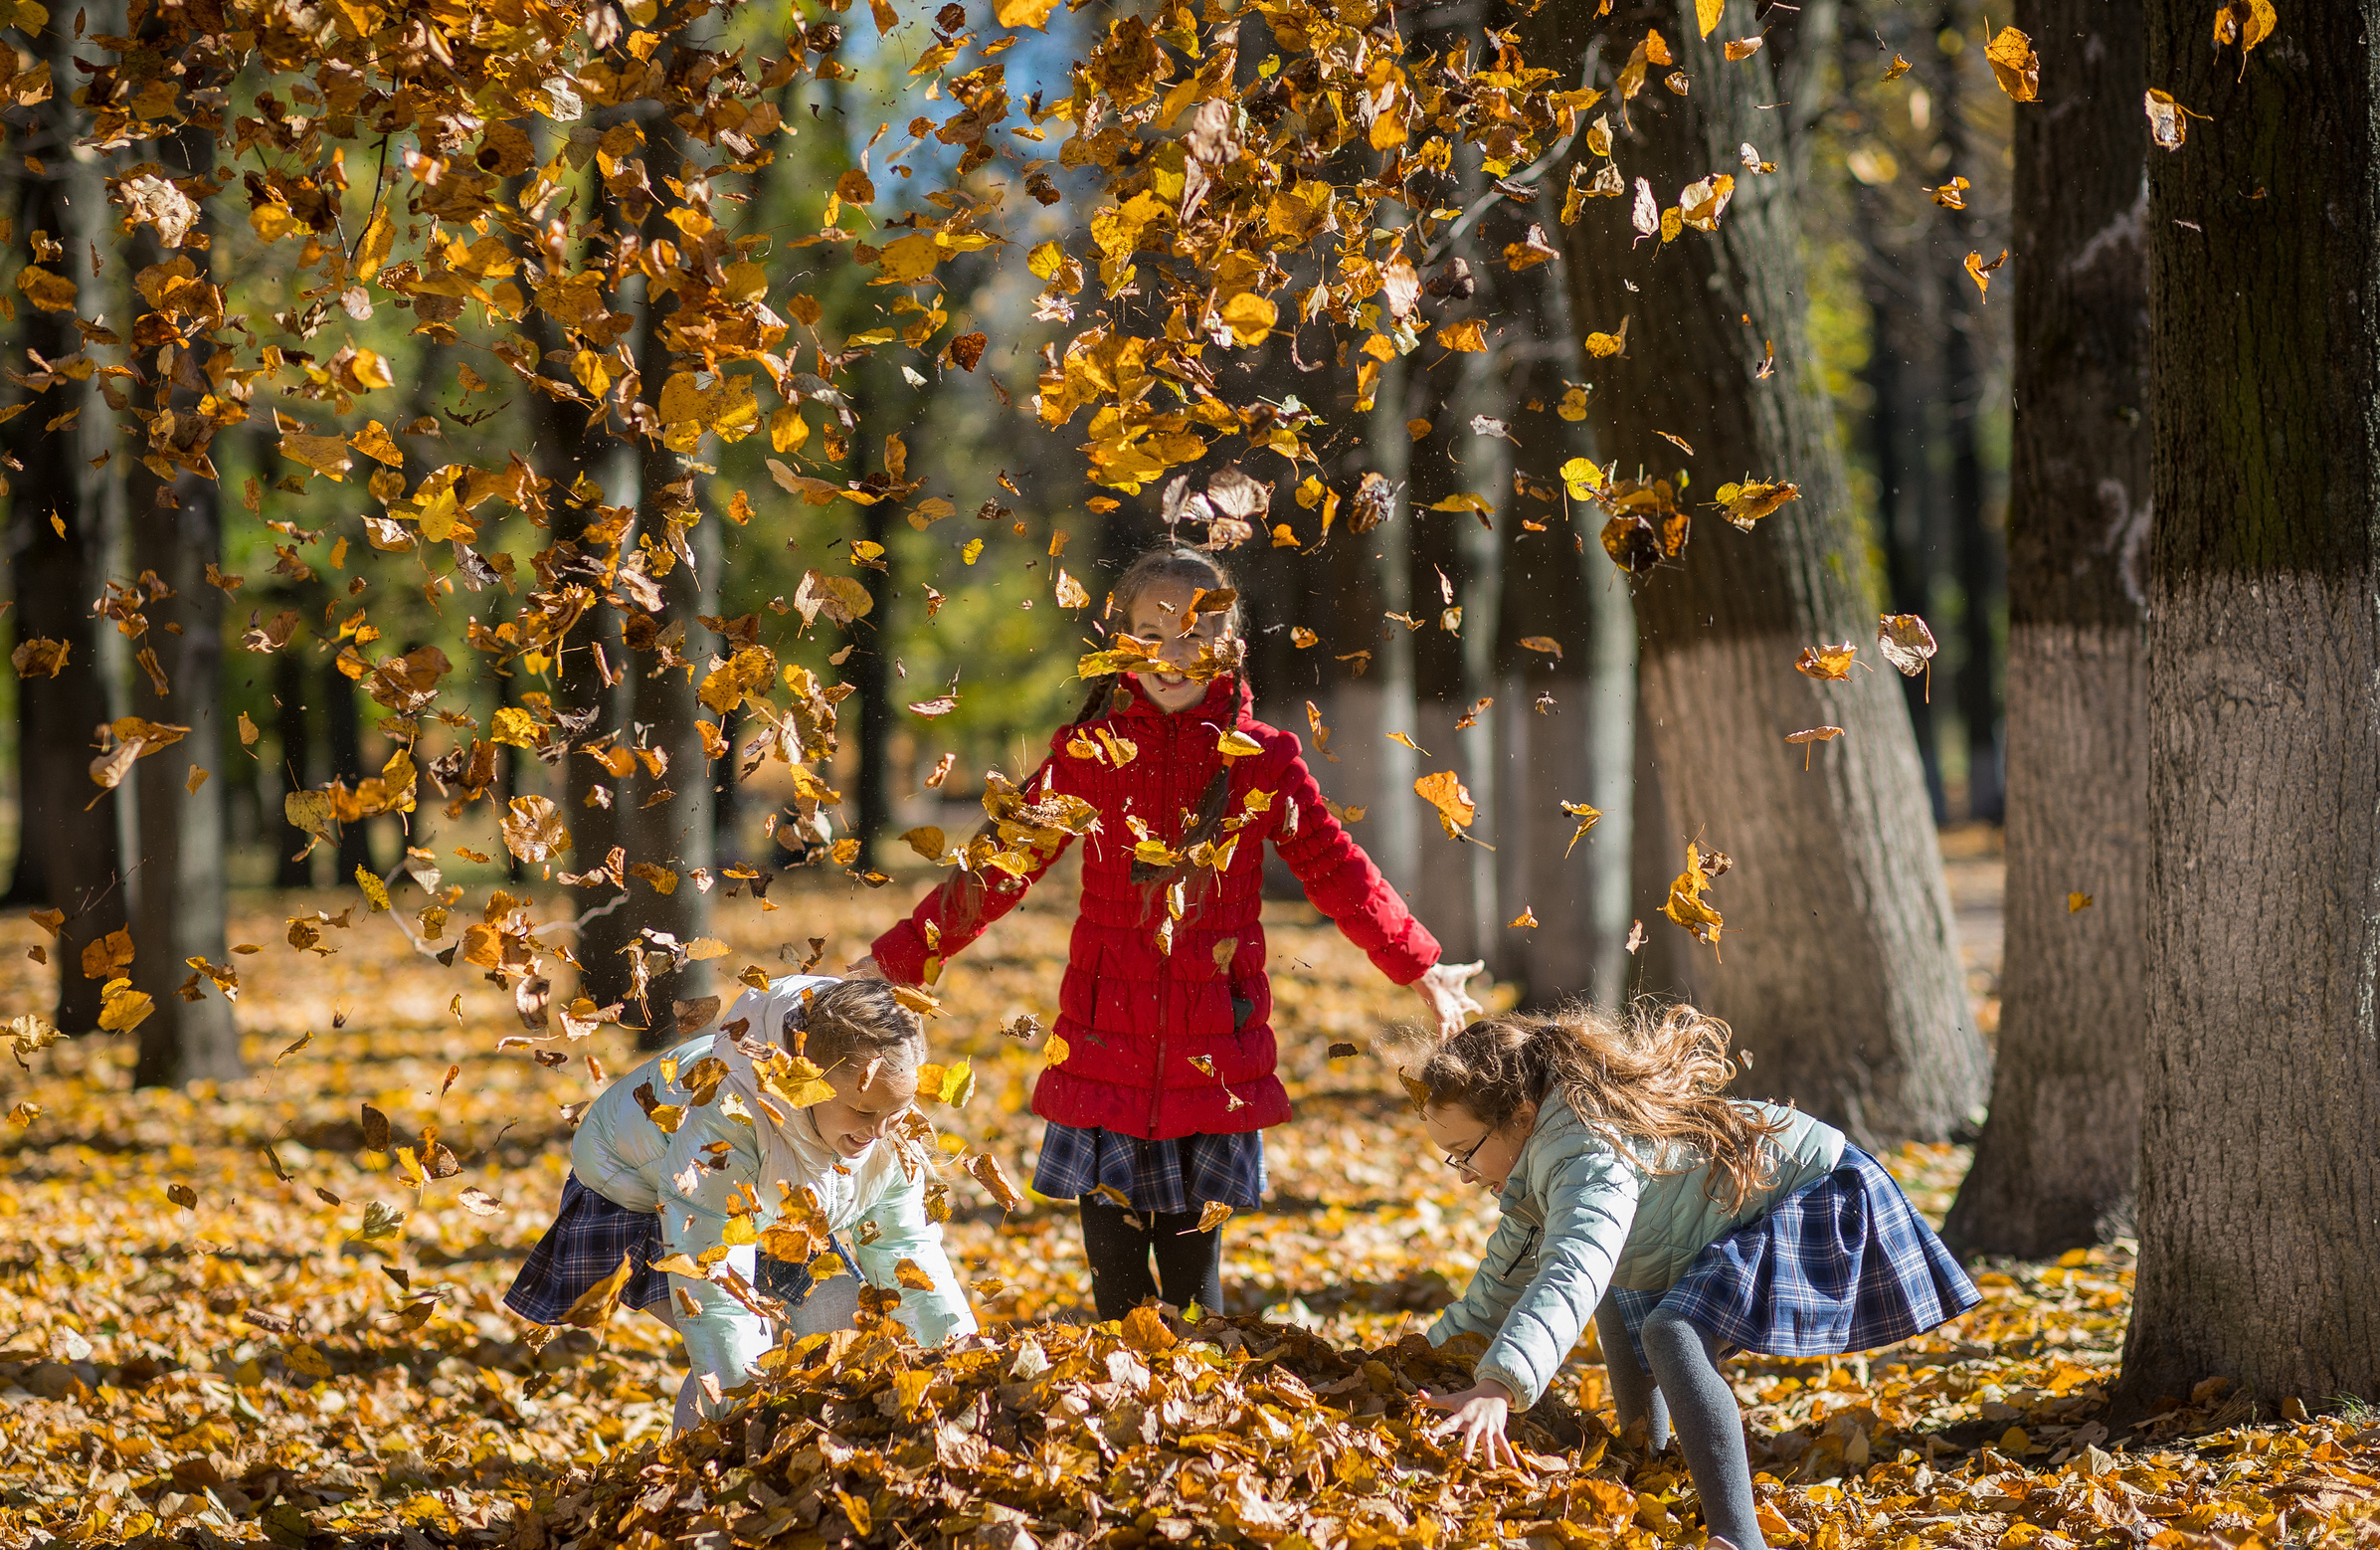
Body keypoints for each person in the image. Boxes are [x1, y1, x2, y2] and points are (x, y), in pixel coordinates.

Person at [857, 543, 1484, 1322]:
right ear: (1120, 642)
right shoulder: (1086, 756)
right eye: (1151, 634)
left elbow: (1337, 870)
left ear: (1232, 648)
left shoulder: (1263, 762)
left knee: (1193, 1295)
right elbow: (997, 870)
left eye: (1194, 634)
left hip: (1214, 1057)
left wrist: (1419, 964)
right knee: (1116, 1293)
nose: (1171, 655)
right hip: (1101, 1055)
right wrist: (896, 960)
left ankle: (1199, 1398)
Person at [1414, 1009, 1980, 1550]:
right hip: (1717, 1219)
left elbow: (1572, 1271)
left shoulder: (1586, 1152)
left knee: (1671, 1332)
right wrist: (1414, 1366)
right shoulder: (1534, 1172)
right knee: (1620, 1292)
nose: (1463, 1175)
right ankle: (1647, 1457)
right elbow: (1495, 1294)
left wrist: (1499, 1386)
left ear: (1519, 1116)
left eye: (1465, 1153)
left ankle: (1737, 1536)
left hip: (1818, 1192)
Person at [504, 973, 977, 1428]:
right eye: (862, 1110)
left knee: (842, 1316)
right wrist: (741, 1418)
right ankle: (697, 1463)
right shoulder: (729, 1119)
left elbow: (907, 1251)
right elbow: (713, 1282)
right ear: (806, 1080)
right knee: (754, 1348)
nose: (878, 1131)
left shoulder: (888, 1131)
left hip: (765, 1202)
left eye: (897, 1111)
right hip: (641, 1200)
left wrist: (958, 1365)